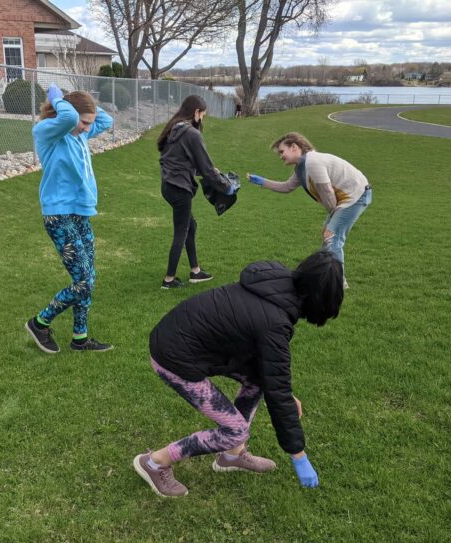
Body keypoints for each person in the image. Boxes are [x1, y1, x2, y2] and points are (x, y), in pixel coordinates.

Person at [133, 249, 344, 497]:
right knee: (236, 431)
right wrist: (299, 456)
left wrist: (286, 395)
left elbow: (271, 378)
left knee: (256, 382)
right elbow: (278, 392)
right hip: (174, 357)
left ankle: (232, 456)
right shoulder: (275, 323)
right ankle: (155, 462)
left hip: (180, 340)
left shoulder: (275, 285)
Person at [24, 85, 114, 354]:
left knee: (88, 278)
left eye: (88, 123)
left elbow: (106, 120)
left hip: (80, 214)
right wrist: (57, 96)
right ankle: (40, 322)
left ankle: (80, 338)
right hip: (59, 215)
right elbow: (69, 118)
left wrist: (83, 102)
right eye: (83, 122)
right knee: (84, 280)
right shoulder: (49, 132)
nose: (87, 128)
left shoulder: (79, 134)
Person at [247, 132, 372, 289]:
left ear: (294, 147)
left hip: (356, 196)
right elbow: (287, 187)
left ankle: (338, 283)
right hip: (346, 199)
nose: (281, 156)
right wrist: (261, 181)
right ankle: (328, 276)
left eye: (282, 151)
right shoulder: (302, 166)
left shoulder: (312, 162)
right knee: (328, 235)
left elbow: (328, 193)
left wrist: (332, 218)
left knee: (332, 236)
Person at [157, 95, 232, 289]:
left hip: (168, 186)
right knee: (181, 232)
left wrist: (208, 172)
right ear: (196, 112)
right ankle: (169, 280)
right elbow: (207, 169)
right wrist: (227, 187)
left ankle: (195, 271)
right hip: (179, 189)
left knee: (191, 226)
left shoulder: (174, 127)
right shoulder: (191, 133)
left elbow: (178, 159)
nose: (202, 119)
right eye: (203, 115)